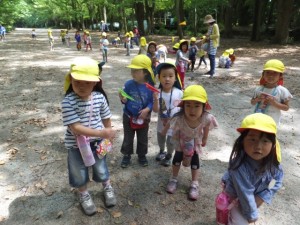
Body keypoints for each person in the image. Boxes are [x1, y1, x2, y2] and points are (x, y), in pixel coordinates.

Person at [61, 58, 117, 216]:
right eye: (77, 81)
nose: (81, 86)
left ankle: (107, 186)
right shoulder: (68, 102)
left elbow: (106, 117)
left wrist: (108, 133)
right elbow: (76, 127)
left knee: (101, 166)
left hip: (99, 142)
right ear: (71, 80)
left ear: (95, 83)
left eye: (87, 82)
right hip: (76, 145)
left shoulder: (99, 98)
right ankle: (84, 194)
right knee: (78, 170)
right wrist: (102, 133)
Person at [221, 113, 283, 224]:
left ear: (273, 144)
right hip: (237, 195)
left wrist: (263, 196)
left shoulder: (274, 164)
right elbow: (244, 193)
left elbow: (276, 180)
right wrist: (251, 214)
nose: (258, 146)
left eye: (265, 141)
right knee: (240, 221)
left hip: (253, 195)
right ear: (242, 141)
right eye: (252, 139)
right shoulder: (239, 165)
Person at [165, 85, 218, 200]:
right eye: (188, 105)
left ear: (204, 106)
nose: (192, 110)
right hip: (181, 141)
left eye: (197, 106)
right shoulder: (179, 118)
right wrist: (167, 133)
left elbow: (207, 127)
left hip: (195, 142)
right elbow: (171, 128)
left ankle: (194, 183)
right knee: (177, 158)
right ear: (183, 106)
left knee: (195, 160)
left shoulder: (206, 118)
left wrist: (205, 138)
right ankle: (174, 178)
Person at [119, 55, 156, 168]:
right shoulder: (129, 84)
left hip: (143, 117)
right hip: (128, 115)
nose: (132, 73)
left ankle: (142, 155)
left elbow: (152, 100)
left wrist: (148, 109)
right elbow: (124, 98)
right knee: (128, 137)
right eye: (132, 70)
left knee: (142, 138)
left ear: (145, 72)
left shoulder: (150, 86)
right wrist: (123, 99)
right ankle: (126, 155)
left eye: (136, 70)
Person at [152, 62, 183, 166]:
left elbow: (183, 108)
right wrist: (156, 99)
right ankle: (161, 151)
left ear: (175, 78)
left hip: (174, 125)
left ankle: (169, 155)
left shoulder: (179, 92)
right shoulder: (157, 92)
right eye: (164, 76)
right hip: (161, 124)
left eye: (170, 76)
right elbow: (155, 110)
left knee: (171, 142)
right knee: (161, 139)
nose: (167, 79)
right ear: (159, 78)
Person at [250, 59, 292, 125]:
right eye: (268, 72)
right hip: (258, 119)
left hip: (272, 122)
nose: (270, 75)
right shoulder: (259, 89)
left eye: (275, 73)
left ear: (280, 76)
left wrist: (274, 102)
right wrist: (258, 99)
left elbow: (286, 108)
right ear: (263, 74)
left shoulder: (283, 91)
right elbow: (252, 102)